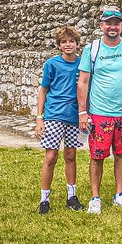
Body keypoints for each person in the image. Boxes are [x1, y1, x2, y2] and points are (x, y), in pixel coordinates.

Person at [77, 6, 122, 215]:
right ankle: (95, 197)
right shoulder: (92, 49)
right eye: (109, 23)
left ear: (121, 25)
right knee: (97, 156)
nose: (112, 27)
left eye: (116, 23)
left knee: (121, 154)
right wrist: (82, 112)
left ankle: (119, 194)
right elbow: (83, 82)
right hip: (99, 112)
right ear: (101, 25)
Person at [35, 26, 85, 214]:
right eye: (64, 42)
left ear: (77, 44)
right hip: (54, 115)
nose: (68, 44)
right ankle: (44, 199)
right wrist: (39, 118)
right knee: (51, 157)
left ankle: (71, 196)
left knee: (71, 156)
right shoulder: (52, 64)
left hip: (74, 117)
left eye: (71, 41)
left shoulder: (82, 65)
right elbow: (44, 90)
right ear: (59, 45)